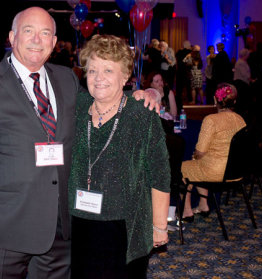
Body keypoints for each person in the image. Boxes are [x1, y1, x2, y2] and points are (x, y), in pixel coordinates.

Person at [0, 7, 159, 279]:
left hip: (59, 225)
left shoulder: (66, 78)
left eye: (45, 33)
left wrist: (144, 93)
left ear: (53, 41)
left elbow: (101, 104)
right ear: (12, 37)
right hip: (4, 226)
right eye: (29, 31)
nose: (37, 39)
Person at [68, 34, 171, 279]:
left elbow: (159, 174)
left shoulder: (141, 115)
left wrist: (159, 226)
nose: (99, 78)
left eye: (108, 70)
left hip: (126, 226)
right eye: (92, 70)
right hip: (79, 222)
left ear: (125, 76)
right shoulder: (77, 107)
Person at [181, 83, 246, 221]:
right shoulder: (241, 120)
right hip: (237, 170)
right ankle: (203, 205)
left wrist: (196, 155)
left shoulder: (211, 120)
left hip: (216, 172)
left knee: (181, 168)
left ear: (215, 100)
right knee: (196, 164)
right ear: (234, 101)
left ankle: (186, 211)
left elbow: (200, 151)